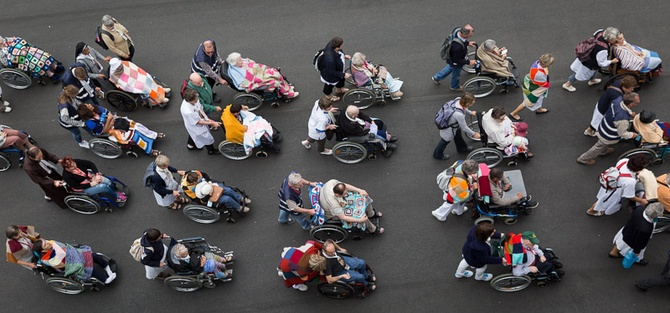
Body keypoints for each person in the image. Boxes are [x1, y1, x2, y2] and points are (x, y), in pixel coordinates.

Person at [577, 92, 641, 165]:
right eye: (637, 102)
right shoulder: (623, 120)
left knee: (601, 145)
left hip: (604, 125)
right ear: (631, 104)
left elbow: (619, 111)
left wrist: (629, 113)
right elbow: (622, 133)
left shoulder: (617, 100)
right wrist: (632, 134)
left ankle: (604, 151)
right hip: (608, 135)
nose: (638, 102)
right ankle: (583, 159)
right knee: (598, 146)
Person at [77, 103, 164, 156]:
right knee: (133, 135)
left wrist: (108, 121)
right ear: (88, 112)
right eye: (88, 106)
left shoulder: (96, 107)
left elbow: (109, 114)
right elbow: (102, 131)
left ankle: (153, 135)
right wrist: (109, 121)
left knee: (137, 125)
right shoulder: (90, 123)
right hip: (111, 132)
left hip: (116, 121)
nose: (89, 105)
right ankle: (149, 150)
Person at [33, 238, 116, 284]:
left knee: (93, 255)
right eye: (45, 244)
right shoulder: (48, 260)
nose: (48, 243)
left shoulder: (51, 242)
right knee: (88, 267)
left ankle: (106, 267)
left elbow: (65, 246)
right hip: (68, 265)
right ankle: (105, 280)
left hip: (72, 255)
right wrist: (75, 257)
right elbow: (63, 265)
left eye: (45, 241)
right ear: (43, 251)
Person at [562, 28, 620, 92]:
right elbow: (601, 63)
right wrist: (612, 61)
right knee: (579, 73)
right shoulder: (603, 49)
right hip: (590, 62)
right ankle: (568, 84)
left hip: (586, 55)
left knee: (592, 71)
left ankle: (592, 80)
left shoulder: (600, 32)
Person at [319, 179, 384, 234]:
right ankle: (372, 229)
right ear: (337, 195)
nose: (346, 192)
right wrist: (360, 220)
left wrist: (359, 190)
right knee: (360, 215)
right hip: (333, 214)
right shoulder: (333, 204)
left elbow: (345, 186)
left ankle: (371, 214)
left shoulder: (332, 182)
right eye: (344, 193)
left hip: (338, 201)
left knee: (365, 198)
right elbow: (343, 217)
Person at [225, 52, 298, 99]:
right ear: (234, 63)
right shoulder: (235, 72)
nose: (242, 60)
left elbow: (252, 63)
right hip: (255, 80)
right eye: (239, 60)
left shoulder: (240, 63)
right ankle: (287, 94)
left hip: (260, 73)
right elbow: (244, 83)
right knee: (274, 81)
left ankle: (287, 88)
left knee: (275, 72)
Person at [509, 53, 555, 121]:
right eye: (549, 64)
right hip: (533, 88)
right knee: (528, 102)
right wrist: (547, 85)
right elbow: (543, 84)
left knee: (539, 99)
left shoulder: (538, 63)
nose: (550, 65)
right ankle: (513, 113)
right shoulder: (539, 74)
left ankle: (539, 109)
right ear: (545, 64)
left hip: (531, 82)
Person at [59, 156, 126, 203]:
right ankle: (117, 197)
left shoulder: (76, 162)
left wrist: (97, 175)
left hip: (90, 177)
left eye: (74, 164)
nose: (75, 167)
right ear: (67, 169)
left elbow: (90, 164)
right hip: (83, 188)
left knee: (107, 181)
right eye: (72, 167)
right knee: (104, 186)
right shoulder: (67, 176)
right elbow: (76, 186)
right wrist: (91, 184)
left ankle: (113, 192)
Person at [433, 93, 478, 160]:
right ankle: (437, 154)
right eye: (472, 103)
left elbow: (464, 108)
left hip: (453, 126)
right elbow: (465, 128)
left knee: (458, 136)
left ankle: (462, 148)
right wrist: (474, 134)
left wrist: (470, 112)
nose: (473, 104)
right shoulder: (459, 115)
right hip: (449, 129)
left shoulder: (458, 99)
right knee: (445, 141)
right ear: (467, 104)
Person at [432, 24, 477, 91]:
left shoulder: (457, 30)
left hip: (452, 60)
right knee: (456, 75)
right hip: (456, 62)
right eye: (470, 34)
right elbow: (457, 60)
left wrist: (467, 43)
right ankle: (454, 86)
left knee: (450, 67)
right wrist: (469, 62)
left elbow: (462, 40)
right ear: (465, 35)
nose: (471, 35)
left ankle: (437, 77)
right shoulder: (457, 47)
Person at [180, 88, 221, 154]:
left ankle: (191, 145)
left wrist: (207, 118)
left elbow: (200, 108)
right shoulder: (188, 111)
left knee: (193, 134)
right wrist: (212, 123)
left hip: (197, 119)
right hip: (195, 124)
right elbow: (198, 122)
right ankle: (211, 150)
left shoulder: (194, 100)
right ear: (191, 101)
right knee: (206, 137)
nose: (197, 99)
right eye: (196, 99)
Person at [168, 240, 233, 280]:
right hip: (198, 266)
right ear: (180, 256)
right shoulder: (179, 265)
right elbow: (191, 272)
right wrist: (201, 265)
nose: (187, 252)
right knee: (213, 266)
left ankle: (224, 260)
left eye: (186, 250)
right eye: (185, 254)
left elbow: (195, 249)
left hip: (198, 257)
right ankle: (222, 275)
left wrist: (202, 255)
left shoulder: (185, 249)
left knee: (212, 256)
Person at [319, 37, 351, 101]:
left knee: (341, 80)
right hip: (330, 76)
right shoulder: (330, 60)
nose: (343, 46)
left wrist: (344, 55)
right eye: (341, 45)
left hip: (339, 70)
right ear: (337, 47)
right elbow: (331, 72)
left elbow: (340, 50)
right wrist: (343, 74)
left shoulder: (332, 44)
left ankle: (339, 90)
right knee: (329, 86)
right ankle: (328, 96)